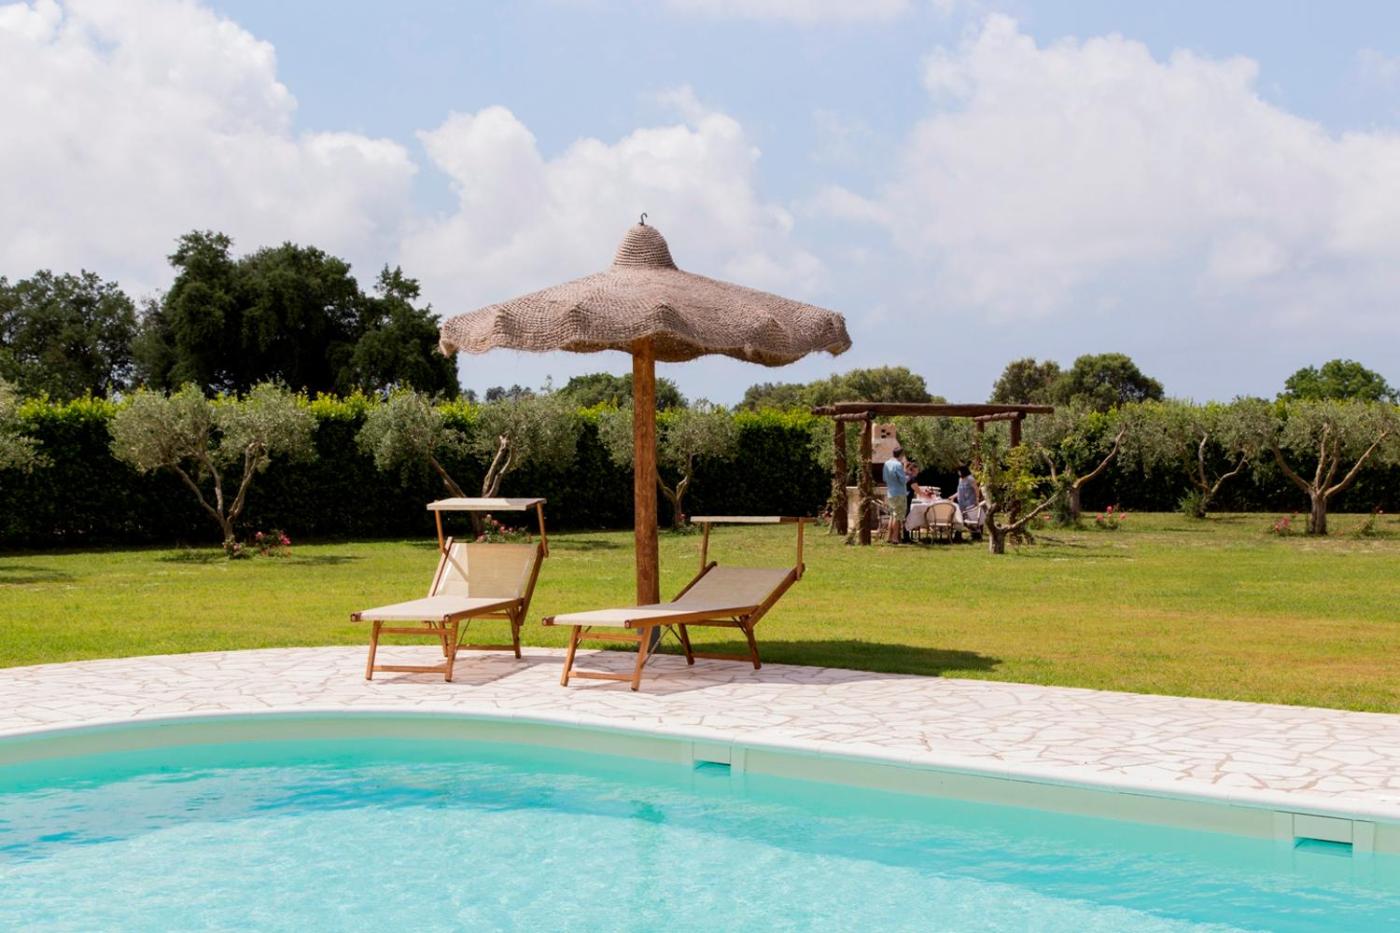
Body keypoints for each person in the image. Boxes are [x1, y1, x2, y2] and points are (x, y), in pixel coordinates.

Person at [882, 447, 909, 543]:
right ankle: (895, 538)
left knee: (892, 515)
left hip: (890, 493)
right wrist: (907, 473)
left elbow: (884, 478)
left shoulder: (886, 463)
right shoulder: (898, 464)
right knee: (898, 516)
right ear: (901, 455)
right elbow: (903, 480)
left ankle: (889, 537)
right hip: (899, 493)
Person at [954, 464, 982, 539]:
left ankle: (976, 535)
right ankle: (959, 535)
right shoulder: (960, 479)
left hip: (970, 502)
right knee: (961, 519)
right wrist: (953, 497)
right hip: (961, 503)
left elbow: (976, 489)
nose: (958, 472)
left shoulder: (970, 479)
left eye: (959, 471)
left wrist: (977, 499)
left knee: (970, 520)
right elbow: (959, 491)